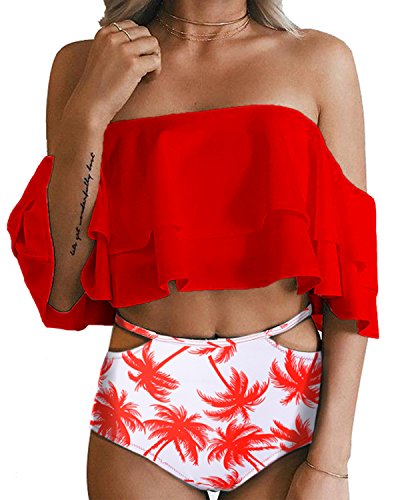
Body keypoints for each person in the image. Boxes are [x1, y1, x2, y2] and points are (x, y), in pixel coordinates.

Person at [6, 1, 379, 499]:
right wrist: (91, 110)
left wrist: (332, 465)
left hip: (288, 395)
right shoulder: (85, 64)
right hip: (144, 389)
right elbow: (63, 285)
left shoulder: (320, 59)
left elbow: (353, 274)